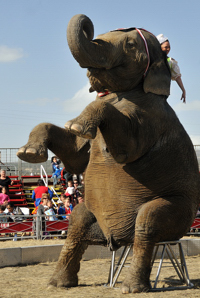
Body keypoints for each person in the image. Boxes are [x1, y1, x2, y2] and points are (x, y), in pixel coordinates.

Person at [156, 34, 186, 103]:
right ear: (159, 47)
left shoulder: (171, 61)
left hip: (162, 94)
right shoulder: (150, 59)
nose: (168, 49)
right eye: (166, 47)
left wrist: (183, 90)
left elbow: (177, 77)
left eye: (169, 47)